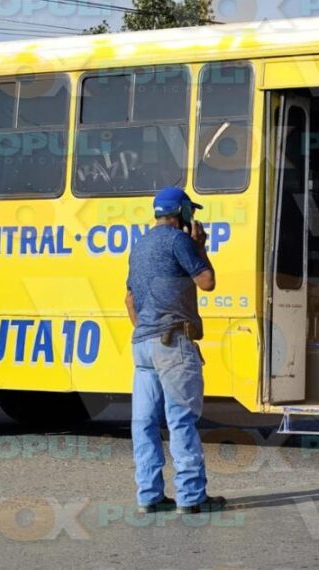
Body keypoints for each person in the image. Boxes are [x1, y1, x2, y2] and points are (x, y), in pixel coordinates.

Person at [125, 187, 226, 514]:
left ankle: (149, 496)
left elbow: (129, 299)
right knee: (181, 419)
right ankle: (192, 496)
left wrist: (145, 329)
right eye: (190, 212)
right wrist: (200, 248)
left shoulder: (139, 246)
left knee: (144, 423)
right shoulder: (178, 241)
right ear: (182, 211)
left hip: (142, 345)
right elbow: (207, 281)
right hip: (172, 343)